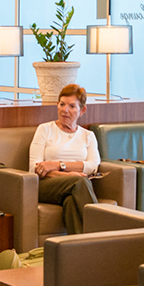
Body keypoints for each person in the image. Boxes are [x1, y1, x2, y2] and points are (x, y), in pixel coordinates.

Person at [28, 84, 100, 235]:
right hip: (45, 185)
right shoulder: (44, 129)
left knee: (71, 201)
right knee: (79, 182)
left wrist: (57, 165)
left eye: (72, 106)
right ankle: (102, 233)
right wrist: (69, 176)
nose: (65, 110)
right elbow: (34, 168)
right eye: (62, 104)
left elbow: (93, 166)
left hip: (74, 187)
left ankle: (78, 246)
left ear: (82, 110)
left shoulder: (88, 136)